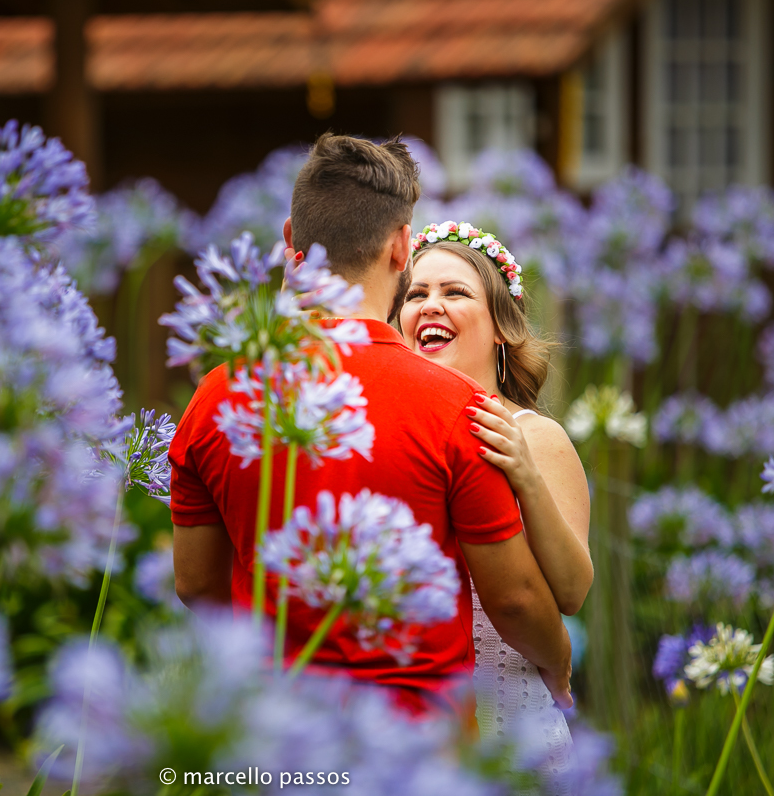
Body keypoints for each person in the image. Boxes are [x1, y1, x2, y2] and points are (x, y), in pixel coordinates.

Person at [169, 133, 573, 717]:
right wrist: (558, 656)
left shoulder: (214, 396)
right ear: (401, 247)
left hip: (274, 735)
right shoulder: (456, 406)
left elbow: (196, 586)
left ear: (291, 240)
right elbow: (511, 601)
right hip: (416, 745)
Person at [398, 221, 592, 775]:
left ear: (502, 327)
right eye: (416, 294)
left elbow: (574, 592)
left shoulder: (538, 437)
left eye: (454, 293)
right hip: (418, 720)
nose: (430, 305)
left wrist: (525, 476)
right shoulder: (395, 432)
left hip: (510, 709)